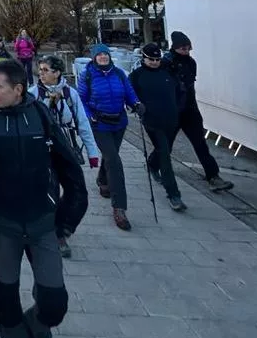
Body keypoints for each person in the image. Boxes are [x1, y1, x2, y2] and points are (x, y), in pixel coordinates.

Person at [0, 60, 88, 338]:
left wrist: (68, 217)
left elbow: (68, 165)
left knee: (54, 300)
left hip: (42, 220)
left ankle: (37, 329)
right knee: (7, 296)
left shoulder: (40, 115)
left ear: (18, 89)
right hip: (4, 223)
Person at [28, 55, 99, 258]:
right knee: (48, 191)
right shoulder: (34, 94)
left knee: (77, 192)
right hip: (43, 149)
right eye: (39, 70)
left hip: (66, 147)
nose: (40, 73)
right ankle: (53, 233)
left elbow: (82, 123)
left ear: (57, 72)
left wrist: (92, 152)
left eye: (45, 70)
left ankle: (65, 225)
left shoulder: (70, 93)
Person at [77, 44, 144, 231]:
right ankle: (119, 207)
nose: (103, 57)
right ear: (94, 58)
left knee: (111, 156)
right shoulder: (88, 75)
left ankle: (103, 180)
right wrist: (88, 114)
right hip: (99, 123)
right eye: (99, 55)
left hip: (119, 122)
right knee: (114, 160)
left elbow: (129, 92)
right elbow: (81, 98)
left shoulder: (119, 73)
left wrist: (136, 104)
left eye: (105, 54)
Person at [162, 31, 234, 192]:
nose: (186, 51)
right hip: (173, 110)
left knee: (200, 144)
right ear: (175, 48)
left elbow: (189, 86)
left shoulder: (191, 63)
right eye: (183, 48)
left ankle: (213, 176)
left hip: (190, 109)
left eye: (188, 48)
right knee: (166, 144)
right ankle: (156, 165)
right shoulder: (166, 63)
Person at [129, 43, 187, 212]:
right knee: (164, 154)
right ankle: (173, 194)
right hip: (152, 121)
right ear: (144, 58)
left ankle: (152, 165)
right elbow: (130, 95)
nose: (154, 62)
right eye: (151, 59)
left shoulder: (167, 73)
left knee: (165, 149)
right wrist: (136, 106)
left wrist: (178, 108)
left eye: (157, 59)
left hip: (171, 119)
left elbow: (180, 91)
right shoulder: (137, 76)